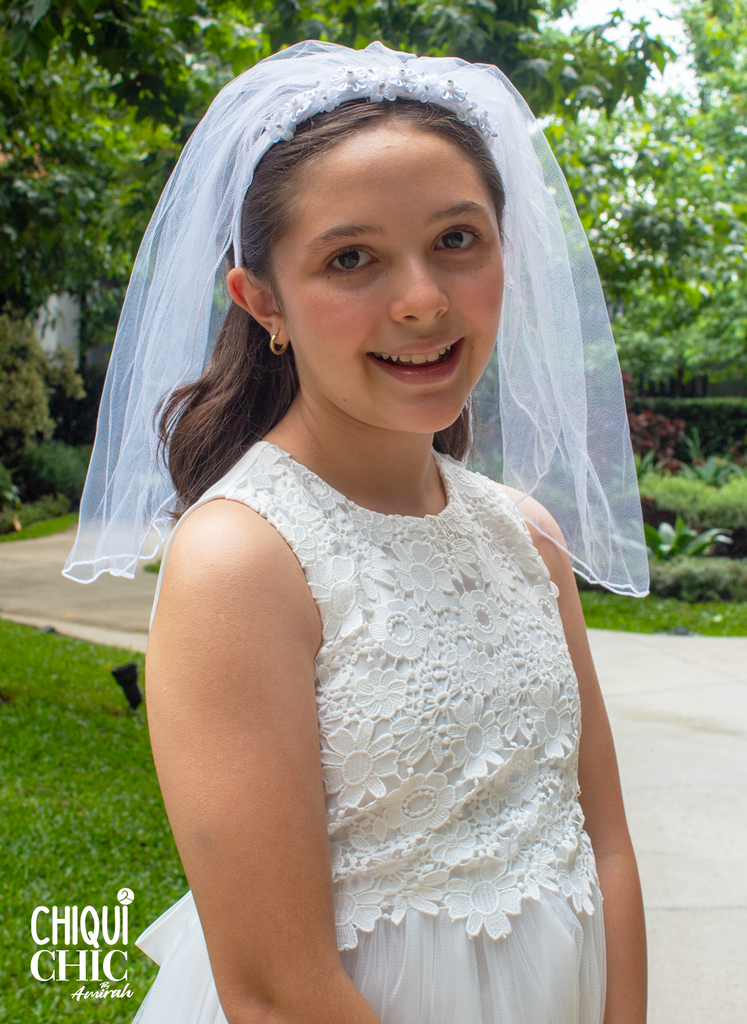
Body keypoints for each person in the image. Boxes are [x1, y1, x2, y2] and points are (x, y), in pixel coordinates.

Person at [65, 40, 649, 1024]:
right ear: (263, 304)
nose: (421, 297)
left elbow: (610, 844)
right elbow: (277, 991)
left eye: (458, 240)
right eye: (351, 258)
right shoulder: (244, 560)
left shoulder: (527, 537)